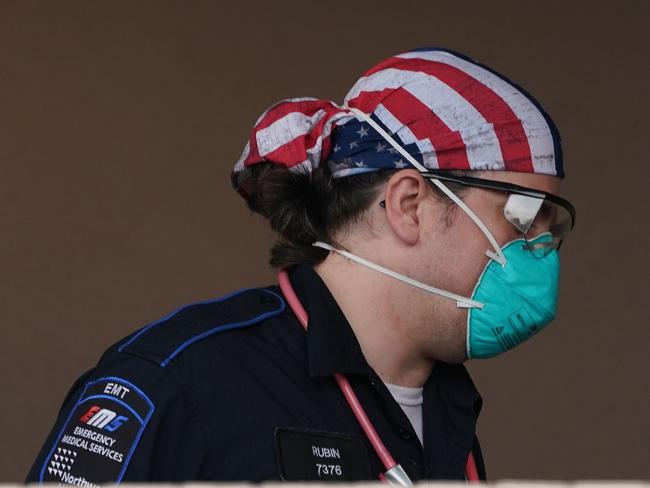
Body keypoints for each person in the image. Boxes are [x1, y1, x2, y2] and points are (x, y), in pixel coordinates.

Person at [26, 47, 575, 485]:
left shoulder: (446, 407)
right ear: (410, 205)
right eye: (525, 215)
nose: (543, 245)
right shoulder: (173, 382)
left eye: (552, 223)